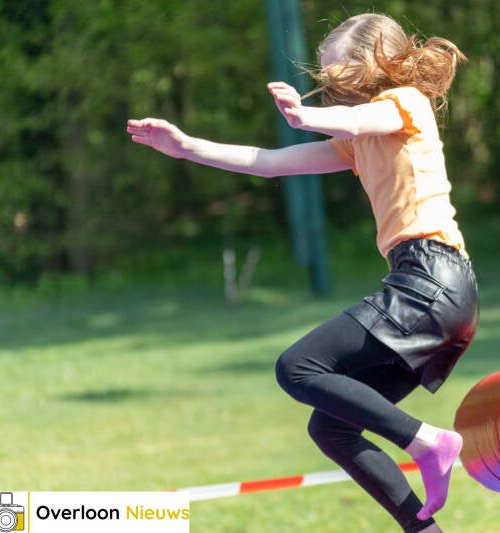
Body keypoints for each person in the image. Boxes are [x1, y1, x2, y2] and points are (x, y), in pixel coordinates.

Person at [126, 13, 478, 533]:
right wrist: (186, 147)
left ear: (376, 67)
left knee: (298, 368)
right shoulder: (357, 143)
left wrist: (306, 116)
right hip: (436, 291)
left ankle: (427, 441)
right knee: (332, 430)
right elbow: (268, 162)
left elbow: (361, 120)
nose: (332, 89)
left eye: (339, 77)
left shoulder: (406, 104)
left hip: (431, 281)